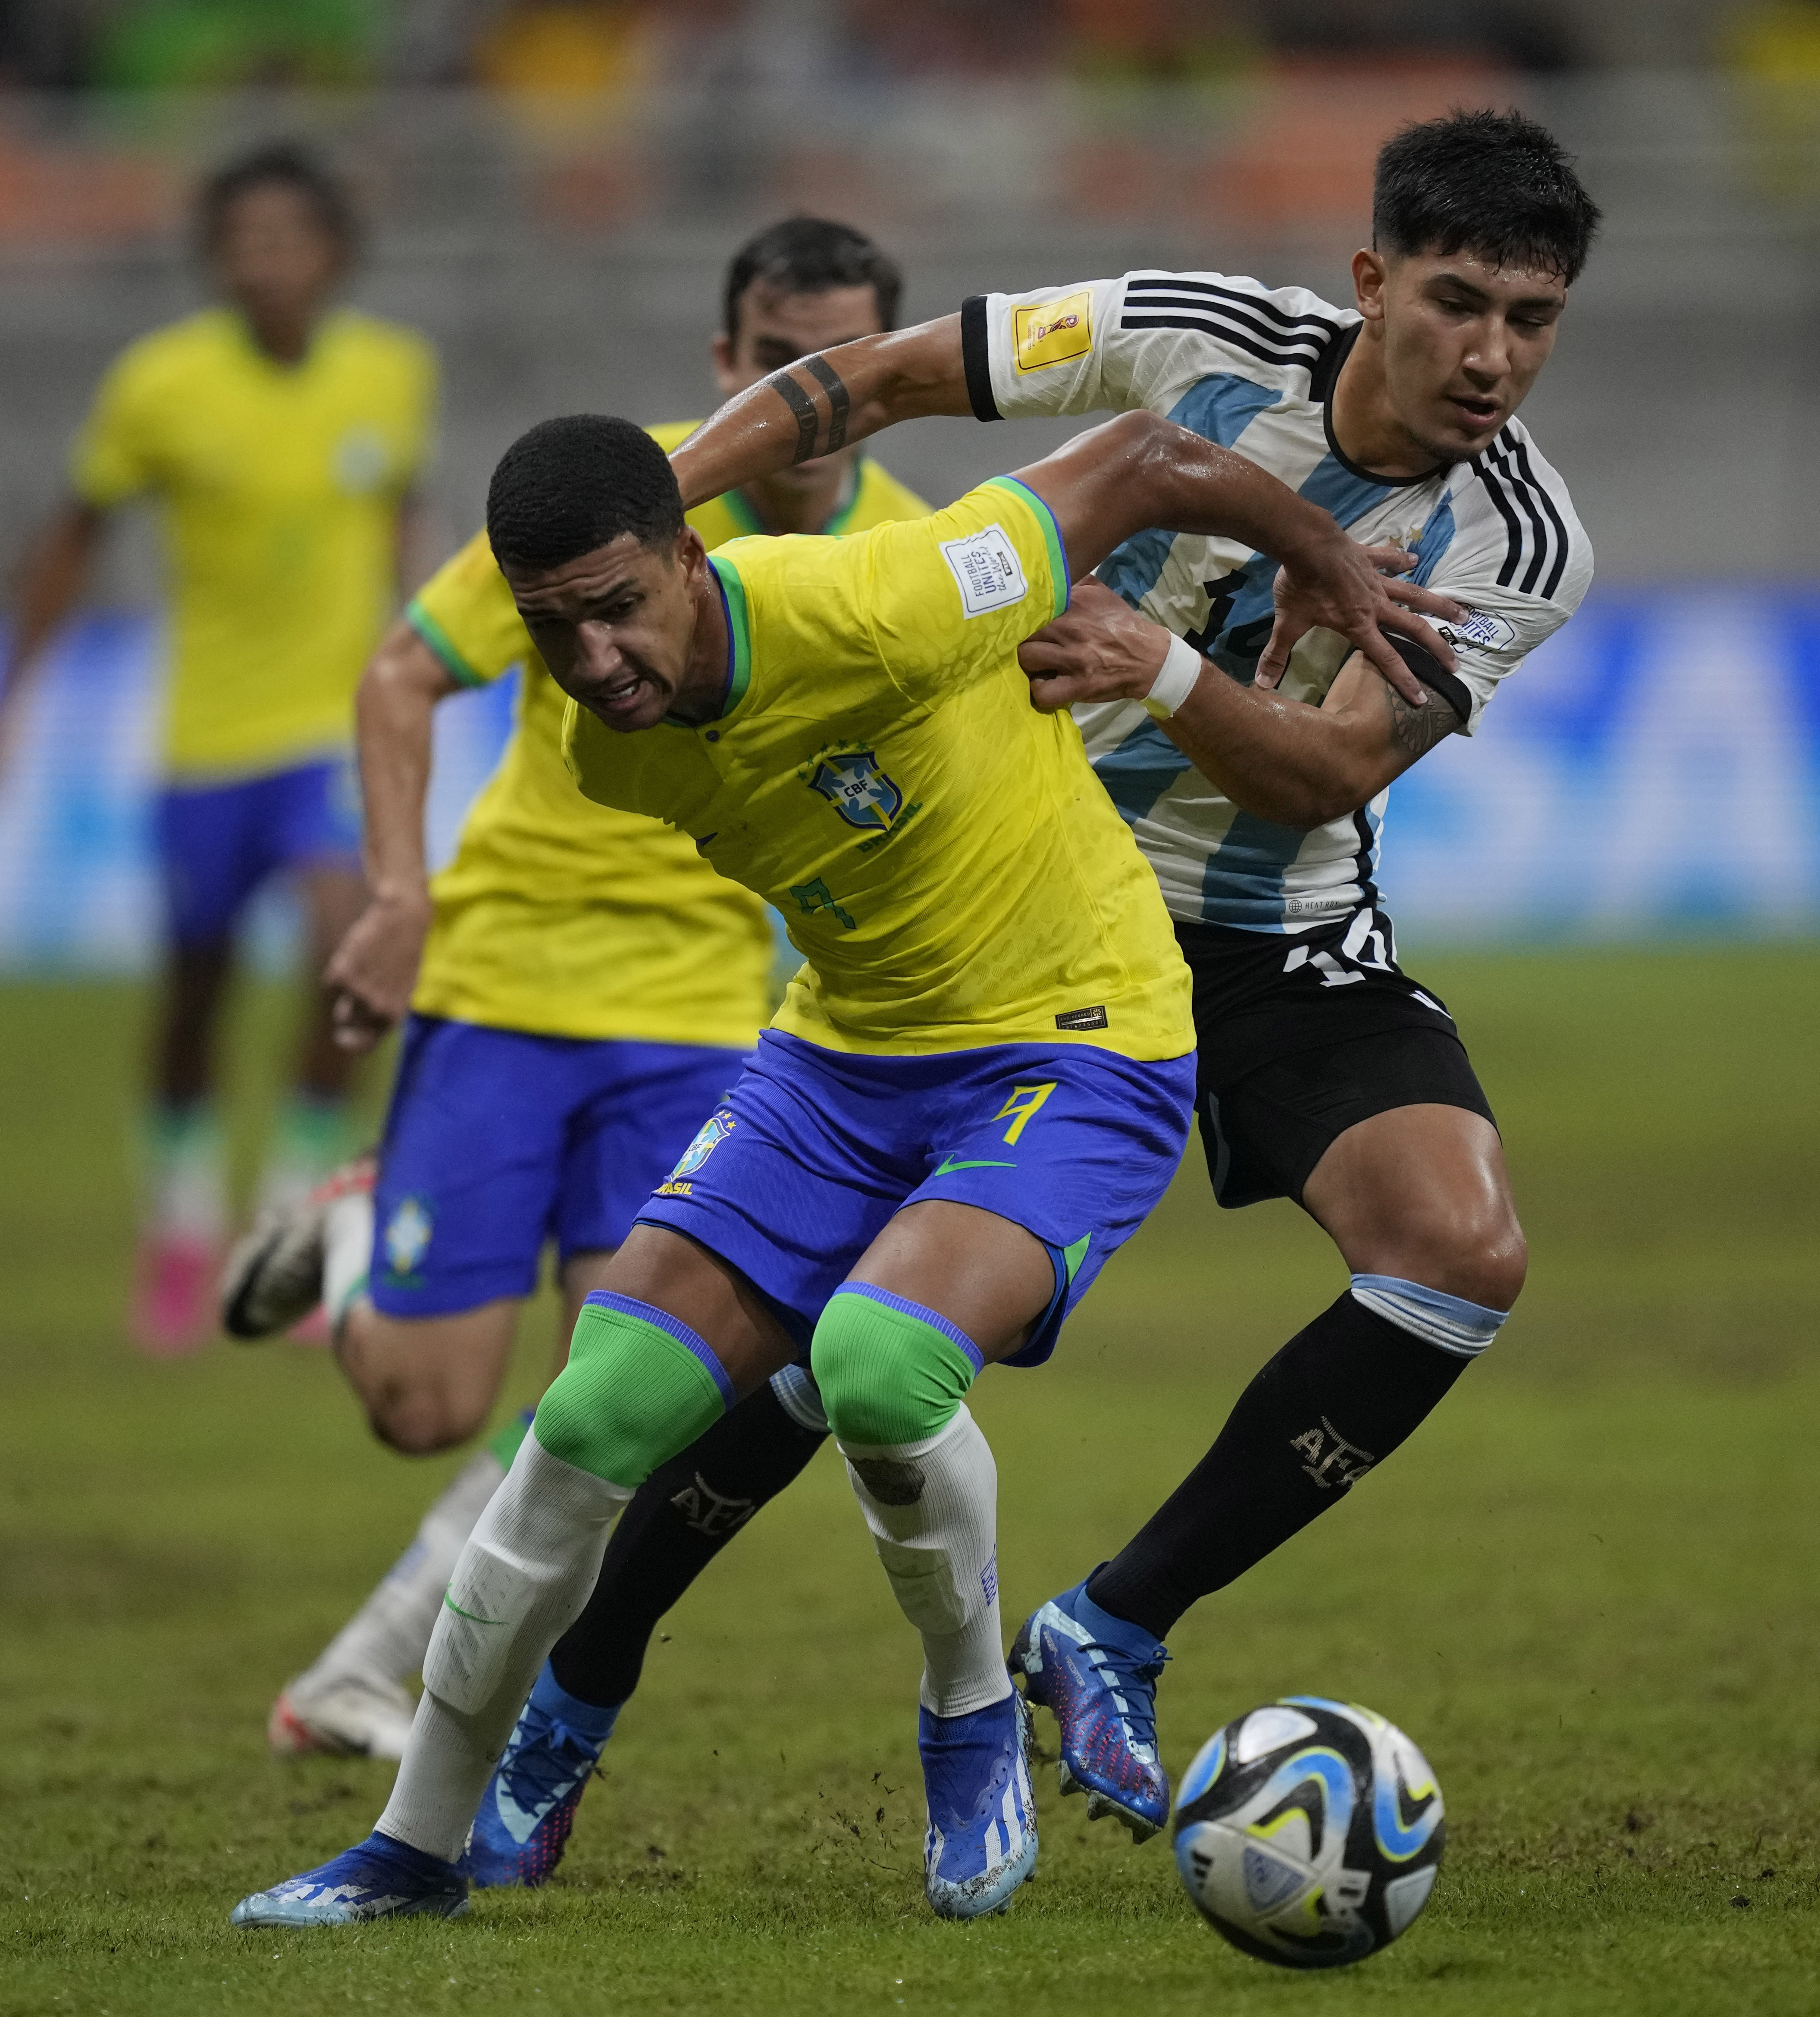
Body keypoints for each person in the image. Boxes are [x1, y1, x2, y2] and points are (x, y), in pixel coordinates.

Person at [448, 106, 1601, 1872]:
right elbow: (884, 376)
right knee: (796, 1357)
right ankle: (577, 1691)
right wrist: (646, 526)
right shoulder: (1191, 334)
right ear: (1370, 281)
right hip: (994, 920)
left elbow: (1319, 777)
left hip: (1265, 920)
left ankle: (1112, 1623)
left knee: (1457, 1247)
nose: (1490, 357)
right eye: (1457, 302)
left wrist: (1154, 664)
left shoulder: (1517, 538)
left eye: (1531, 320)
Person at [226, 397, 1420, 1928]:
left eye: (615, 610)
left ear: (684, 554)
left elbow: (1133, 458)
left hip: (1076, 1039)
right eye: (549, 628)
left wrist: (1320, 557)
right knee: (588, 1414)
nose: (591, 660)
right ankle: (408, 1846)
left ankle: (967, 1716)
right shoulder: (619, 753)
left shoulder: (883, 597)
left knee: (874, 1366)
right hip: (836, 1063)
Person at [216, 217, 930, 1767]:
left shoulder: (909, 548)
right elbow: (400, 673)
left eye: (850, 368)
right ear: (725, 365)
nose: (817, 400)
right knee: (422, 1403)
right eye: (780, 363)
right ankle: (352, 1236)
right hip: (510, 978)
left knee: (628, 1404)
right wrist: (400, 894)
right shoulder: (619, 503)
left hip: (697, 1018)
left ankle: (379, 1677)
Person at [0, 140, 442, 1353]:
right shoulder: (160, 386)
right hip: (201, 740)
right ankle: (180, 1217)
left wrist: (441, 660)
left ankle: (288, 1213)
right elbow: (74, 538)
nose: (264, 263)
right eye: (242, 243)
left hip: (328, 726)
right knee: (196, 989)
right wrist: (6, 703)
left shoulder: (390, 374)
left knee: (351, 948)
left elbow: (403, 523)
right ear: (214, 260)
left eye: (286, 240)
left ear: (332, 254)